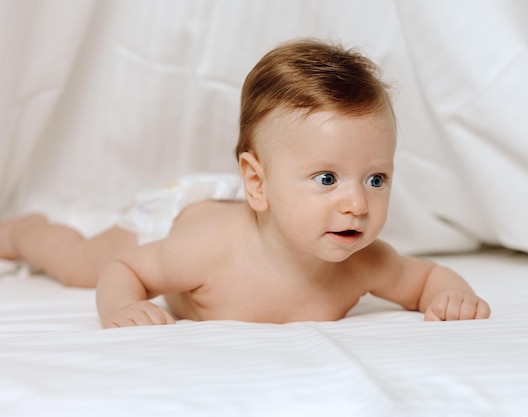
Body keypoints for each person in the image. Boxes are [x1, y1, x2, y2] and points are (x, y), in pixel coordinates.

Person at [0, 39, 490, 328]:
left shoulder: (365, 262)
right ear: (258, 183)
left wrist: (451, 295)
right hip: (178, 214)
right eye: (327, 178)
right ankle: (26, 231)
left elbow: (425, 278)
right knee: (85, 264)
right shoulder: (207, 251)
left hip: (251, 200)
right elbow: (127, 267)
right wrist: (124, 306)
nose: (357, 204)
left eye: (375, 178)